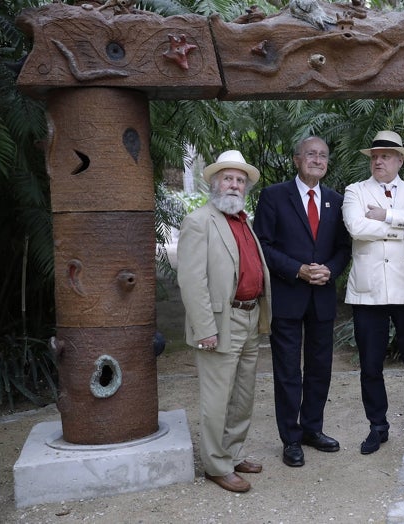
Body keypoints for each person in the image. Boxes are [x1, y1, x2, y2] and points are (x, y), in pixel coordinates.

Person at [252, 136, 351, 468]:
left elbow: (343, 248)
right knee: (288, 371)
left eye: (323, 155)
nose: (317, 159)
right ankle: (290, 438)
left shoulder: (336, 201)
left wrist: (330, 270)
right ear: (296, 159)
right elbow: (262, 244)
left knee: (320, 369)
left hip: (322, 297)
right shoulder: (274, 196)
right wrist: (297, 270)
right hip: (288, 295)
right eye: (311, 154)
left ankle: (312, 429)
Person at [177, 150, 271, 493]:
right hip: (221, 320)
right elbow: (191, 280)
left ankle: (231, 453)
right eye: (228, 178)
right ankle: (216, 465)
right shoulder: (199, 221)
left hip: (249, 316)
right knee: (218, 398)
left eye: (240, 180)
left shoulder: (243, 220)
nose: (234, 184)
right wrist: (205, 329)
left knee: (243, 395)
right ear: (215, 183)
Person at [342, 130, 404, 455]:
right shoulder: (355, 191)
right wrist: (402, 229)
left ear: (399, 160)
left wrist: (386, 216)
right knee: (370, 364)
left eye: (385, 156)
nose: (378, 160)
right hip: (370, 291)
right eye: (374, 156)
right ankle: (377, 427)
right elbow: (356, 227)